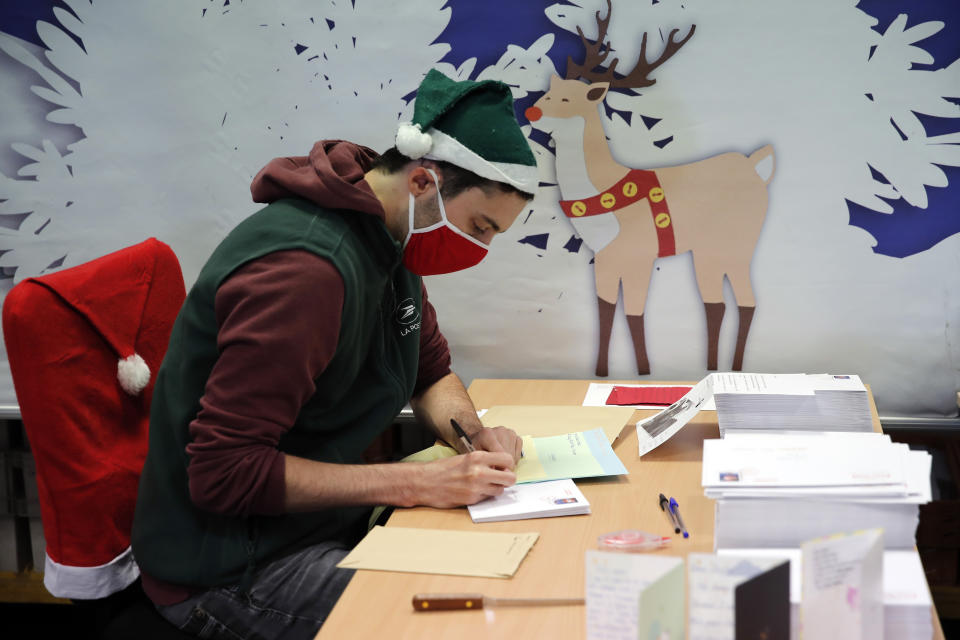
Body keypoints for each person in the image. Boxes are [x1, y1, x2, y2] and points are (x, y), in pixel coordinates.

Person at [131, 69, 539, 638]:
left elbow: (429, 372)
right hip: (229, 568)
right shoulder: (304, 272)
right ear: (424, 182)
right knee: (476, 620)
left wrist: (473, 435)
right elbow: (224, 473)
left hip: (313, 530)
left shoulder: (391, 236)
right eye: (480, 225)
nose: (480, 247)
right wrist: (417, 485)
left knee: (523, 582)